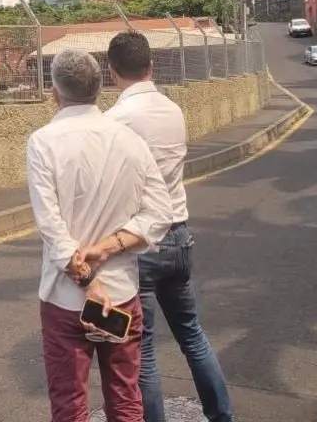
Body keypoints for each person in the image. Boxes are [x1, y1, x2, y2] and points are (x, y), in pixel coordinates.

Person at [87, 32, 234, 422]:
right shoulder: (174, 111)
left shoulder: (113, 122)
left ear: (111, 71)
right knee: (193, 336)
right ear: (151, 66)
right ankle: (222, 416)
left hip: (140, 243)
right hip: (178, 234)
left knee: (145, 352)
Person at [27, 49, 174, 422]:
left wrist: (88, 281)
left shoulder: (43, 141)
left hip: (64, 299)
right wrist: (108, 248)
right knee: (125, 399)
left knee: (69, 404)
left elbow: (51, 226)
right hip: (121, 295)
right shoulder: (130, 140)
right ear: (100, 87)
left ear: (54, 92)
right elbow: (160, 213)